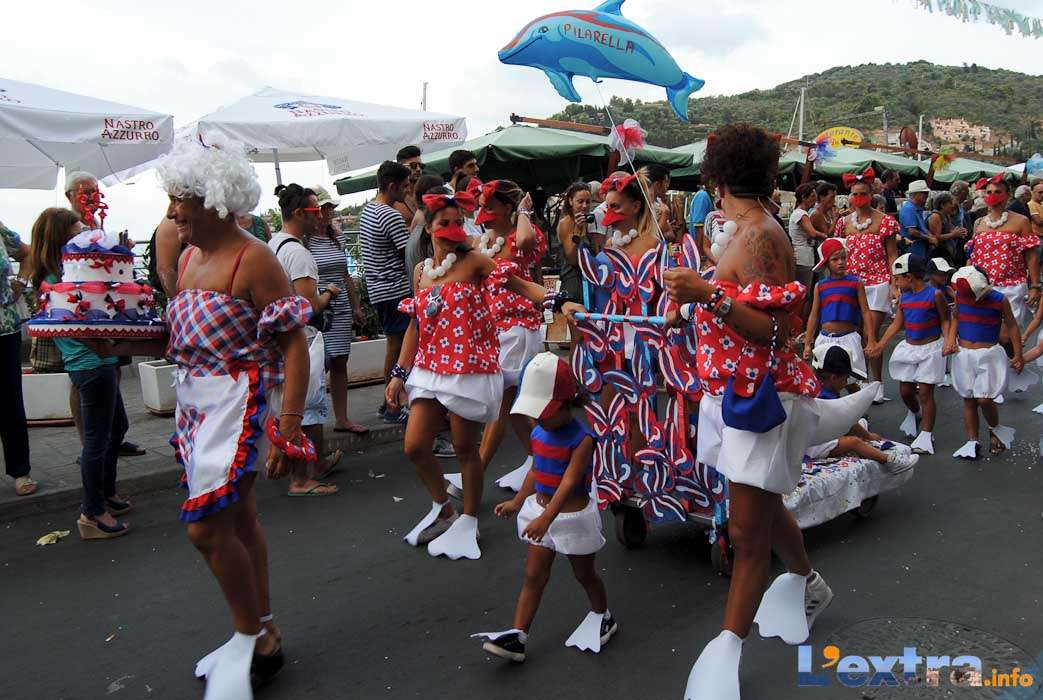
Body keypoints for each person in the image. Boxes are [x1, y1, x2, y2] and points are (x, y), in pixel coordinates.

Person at [661, 125, 867, 700]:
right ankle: (807, 582)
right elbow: (736, 308)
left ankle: (727, 649)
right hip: (730, 396)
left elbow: (778, 332)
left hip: (762, 403)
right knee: (765, 510)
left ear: (715, 178)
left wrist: (706, 295)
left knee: (748, 534)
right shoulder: (741, 230)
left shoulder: (759, 236)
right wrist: (692, 305)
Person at [116, 133, 311, 691]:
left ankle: (250, 635)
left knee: (205, 528)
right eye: (173, 199)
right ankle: (263, 631)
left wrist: (288, 426)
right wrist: (114, 341)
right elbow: (182, 338)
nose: (173, 211)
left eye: (181, 199)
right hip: (193, 406)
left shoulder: (255, 259)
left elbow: (294, 347)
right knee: (240, 520)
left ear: (215, 200)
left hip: (236, 406)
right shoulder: (187, 258)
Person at [385, 192, 559, 560]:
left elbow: (521, 286)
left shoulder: (475, 261)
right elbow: (416, 325)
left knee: (466, 449)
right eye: (443, 223)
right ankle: (443, 508)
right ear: (428, 229)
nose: (452, 229)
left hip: (468, 367)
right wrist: (399, 374)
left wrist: (559, 301)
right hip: (429, 368)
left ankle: (468, 519)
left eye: (456, 222)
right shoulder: (422, 272)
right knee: (415, 446)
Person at [477, 353, 615, 662]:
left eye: (543, 413)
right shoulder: (538, 432)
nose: (537, 419)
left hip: (571, 518)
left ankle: (603, 615)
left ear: (566, 404)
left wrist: (545, 519)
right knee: (534, 576)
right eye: (534, 413)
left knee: (584, 574)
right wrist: (517, 502)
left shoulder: (582, 439)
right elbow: (536, 470)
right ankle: (518, 635)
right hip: (541, 513)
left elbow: (569, 483)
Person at [28, 207, 130, 536]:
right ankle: (92, 513)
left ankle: (105, 492)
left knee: (117, 428)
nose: (85, 237)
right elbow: (78, 325)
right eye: (77, 232)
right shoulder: (58, 281)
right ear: (61, 238)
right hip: (89, 364)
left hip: (100, 361)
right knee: (96, 441)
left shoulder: (72, 273)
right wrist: (106, 344)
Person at [64, 171, 147, 459]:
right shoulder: (66, 224)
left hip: (107, 304)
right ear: (70, 195)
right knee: (82, 376)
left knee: (113, 366)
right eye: (85, 192)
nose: (92, 197)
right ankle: (88, 442)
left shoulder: (97, 222)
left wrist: (121, 250)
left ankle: (113, 435)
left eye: (95, 191)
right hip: (78, 308)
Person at [269, 183, 341, 497]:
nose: (320, 216)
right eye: (315, 210)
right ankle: (302, 478)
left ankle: (313, 465)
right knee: (307, 406)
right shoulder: (298, 253)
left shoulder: (273, 244)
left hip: (279, 338)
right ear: (299, 213)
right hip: (302, 339)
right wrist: (330, 293)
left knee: (291, 404)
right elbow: (309, 305)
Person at [474, 180, 548, 483]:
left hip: (519, 328)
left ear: (507, 208)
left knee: (501, 400)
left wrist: (523, 211)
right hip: (493, 329)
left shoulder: (522, 237)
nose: (482, 213)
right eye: (480, 207)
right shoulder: (483, 242)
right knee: (517, 406)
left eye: (489, 207)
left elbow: (527, 239)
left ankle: (474, 473)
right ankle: (541, 463)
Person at [867, 254, 952, 455]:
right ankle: (916, 413)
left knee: (925, 392)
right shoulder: (905, 297)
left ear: (909, 277)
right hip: (910, 347)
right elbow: (897, 324)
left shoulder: (935, 295)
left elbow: (945, 320)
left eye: (897, 279)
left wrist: (949, 341)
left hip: (930, 349)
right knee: (905, 391)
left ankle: (926, 434)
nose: (895, 283)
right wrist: (880, 345)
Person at [833, 172, 900, 403]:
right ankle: (863, 380)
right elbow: (837, 253)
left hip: (878, 283)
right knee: (856, 335)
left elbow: (892, 255)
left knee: (871, 333)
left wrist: (894, 284)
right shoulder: (843, 223)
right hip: (851, 284)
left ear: (872, 195)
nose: (858, 197)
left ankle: (877, 382)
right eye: (855, 194)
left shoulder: (885, 221)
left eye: (863, 193)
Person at [947, 266, 1022, 459]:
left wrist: (1018, 355)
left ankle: (994, 428)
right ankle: (972, 441)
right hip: (964, 354)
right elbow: (956, 318)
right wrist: (950, 340)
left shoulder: (999, 299)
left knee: (985, 399)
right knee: (969, 399)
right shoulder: (960, 295)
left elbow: (1012, 325)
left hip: (989, 354)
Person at [310, 184, 367, 436]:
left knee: (340, 361)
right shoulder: (304, 240)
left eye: (330, 208)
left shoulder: (338, 237)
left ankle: (342, 418)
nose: (328, 213)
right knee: (318, 364)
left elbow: (345, 275)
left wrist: (356, 306)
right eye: (324, 208)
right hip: (319, 309)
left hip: (341, 306)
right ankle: (311, 420)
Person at [807, 345, 918, 473]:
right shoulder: (825, 397)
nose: (847, 382)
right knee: (854, 442)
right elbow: (847, 423)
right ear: (834, 378)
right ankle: (889, 460)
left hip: (814, 435)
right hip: (814, 445)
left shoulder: (815, 388)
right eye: (846, 378)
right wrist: (868, 436)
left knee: (861, 423)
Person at [360, 161, 414, 423]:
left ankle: (388, 403)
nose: (407, 191)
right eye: (404, 186)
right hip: (395, 289)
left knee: (394, 345)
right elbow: (408, 254)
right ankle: (393, 405)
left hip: (379, 289)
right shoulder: (390, 215)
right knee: (398, 347)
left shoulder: (368, 210)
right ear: (392, 186)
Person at [966, 174, 1041, 329]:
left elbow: (1031, 256)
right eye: (989, 192)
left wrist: (1035, 286)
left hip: (1012, 287)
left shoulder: (1021, 221)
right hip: (982, 288)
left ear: (1008, 195)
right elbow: (972, 257)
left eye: (998, 192)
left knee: (1007, 334)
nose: (992, 195)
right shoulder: (979, 223)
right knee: (985, 333)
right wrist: (965, 282)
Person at [802, 238, 875, 393]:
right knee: (824, 380)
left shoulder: (856, 283)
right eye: (835, 259)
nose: (841, 262)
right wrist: (808, 342)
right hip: (825, 339)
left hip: (849, 338)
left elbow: (865, 311)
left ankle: (859, 407)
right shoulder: (820, 286)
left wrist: (871, 339)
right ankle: (831, 407)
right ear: (827, 263)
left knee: (849, 380)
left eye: (843, 258)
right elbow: (814, 316)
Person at [0, 219, 35, 496]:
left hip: (4, 328)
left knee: (10, 402)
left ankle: (20, 470)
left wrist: (20, 283)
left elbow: (27, 254)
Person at [557, 181, 597, 307]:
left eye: (588, 202)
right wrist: (578, 231)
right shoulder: (566, 223)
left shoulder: (591, 221)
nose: (585, 206)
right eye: (580, 201)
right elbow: (572, 259)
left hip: (591, 278)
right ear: (570, 201)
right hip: (573, 280)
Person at [788, 183, 823, 291]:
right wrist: (825, 236)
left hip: (802, 257)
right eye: (812, 196)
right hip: (803, 258)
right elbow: (812, 233)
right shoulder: (801, 214)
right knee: (803, 290)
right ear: (804, 197)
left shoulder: (798, 213)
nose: (815, 199)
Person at [926, 192, 968, 265]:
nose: (953, 205)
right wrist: (953, 234)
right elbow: (935, 237)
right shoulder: (935, 216)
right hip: (939, 254)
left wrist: (960, 232)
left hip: (949, 252)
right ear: (942, 205)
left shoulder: (946, 215)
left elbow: (951, 229)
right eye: (950, 203)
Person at [898, 180, 933, 258]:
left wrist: (931, 237)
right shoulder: (909, 208)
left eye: (927, 193)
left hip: (919, 249)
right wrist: (929, 238)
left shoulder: (916, 208)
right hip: (912, 250)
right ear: (916, 194)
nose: (926, 195)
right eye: (924, 193)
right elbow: (912, 231)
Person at [641, 163, 675, 241]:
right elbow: (650, 239)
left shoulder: (659, 204)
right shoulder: (641, 204)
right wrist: (664, 215)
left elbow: (671, 235)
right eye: (666, 182)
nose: (667, 186)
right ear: (657, 185)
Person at [395, 145, 424, 224]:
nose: (418, 169)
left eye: (421, 166)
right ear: (401, 167)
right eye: (413, 165)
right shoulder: (393, 198)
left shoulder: (426, 192)